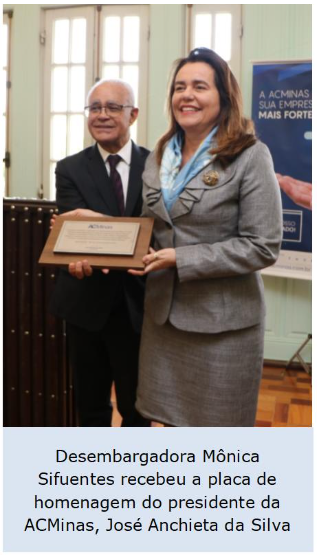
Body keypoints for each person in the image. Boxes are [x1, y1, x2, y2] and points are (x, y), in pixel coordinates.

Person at [128, 47, 283, 427]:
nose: (187, 95)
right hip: (163, 322)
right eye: (180, 87)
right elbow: (149, 225)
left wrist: (181, 259)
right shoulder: (159, 155)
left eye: (200, 86)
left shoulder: (250, 155)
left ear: (223, 97)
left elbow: (263, 245)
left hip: (222, 328)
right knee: (169, 424)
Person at [50, 79, 150, 427]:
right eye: (95, 108)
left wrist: (98, 227)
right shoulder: (69, 168)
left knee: (137, 408)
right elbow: (76, 233)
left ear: (133, 114)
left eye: (112, 108)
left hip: (139, 306)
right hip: (85, 303)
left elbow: (162, 233)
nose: (102, 115)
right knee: (91, 408)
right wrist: (127, 234)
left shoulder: (158, 167)